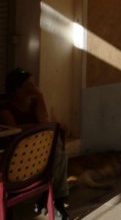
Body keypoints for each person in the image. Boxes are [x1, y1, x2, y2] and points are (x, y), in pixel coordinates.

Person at [0, 68, 70, 219]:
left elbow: (44, 122)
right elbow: (15, 131)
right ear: (18, 89)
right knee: (57, 151)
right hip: (18, 157)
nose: (34, 87)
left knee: (57, 145)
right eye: (30, 85)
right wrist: (37, 127)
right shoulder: (6, 108)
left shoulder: (34, 103)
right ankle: (54, 199)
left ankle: (54, 199)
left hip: (39, 154)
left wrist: (40, 96)